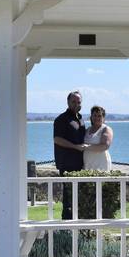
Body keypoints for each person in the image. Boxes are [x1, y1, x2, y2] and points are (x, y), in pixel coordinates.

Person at [53, 91, 85, 219]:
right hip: (67, 164)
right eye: (73, 102)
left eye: (79, 102)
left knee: (79, 198)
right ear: (68, 102)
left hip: (80, 164)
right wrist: (75, 147)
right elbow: (57, 139)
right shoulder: (61, 119)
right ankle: (66, 230)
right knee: (68, 198)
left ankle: (78, 227)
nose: (76, 104)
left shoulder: (80, 118)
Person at [83, 105, 113, 171]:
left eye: (99, 116)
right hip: (88, 163)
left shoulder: (105, 129)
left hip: (101, 164)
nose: (97, 118)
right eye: (95, 115)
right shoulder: (87, 130)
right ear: (91, 117)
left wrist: (86, 147)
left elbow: (105, 146)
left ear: (103, 118)